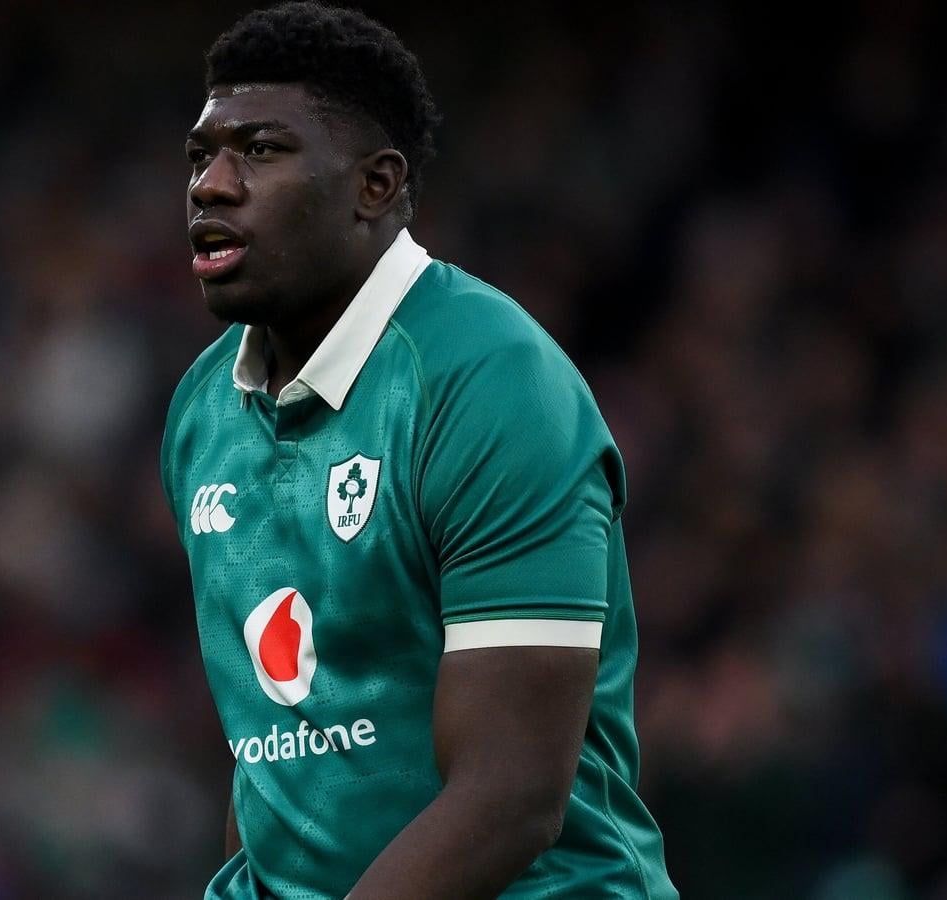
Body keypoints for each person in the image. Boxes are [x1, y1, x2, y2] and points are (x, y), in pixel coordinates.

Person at [158, 4, 679, 898]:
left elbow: (511, 796)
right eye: (201, 156)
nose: (212, 185)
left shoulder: (490, 383)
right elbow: (277, 754)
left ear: (375, 185)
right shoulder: (204, 411)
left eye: (261, 150)